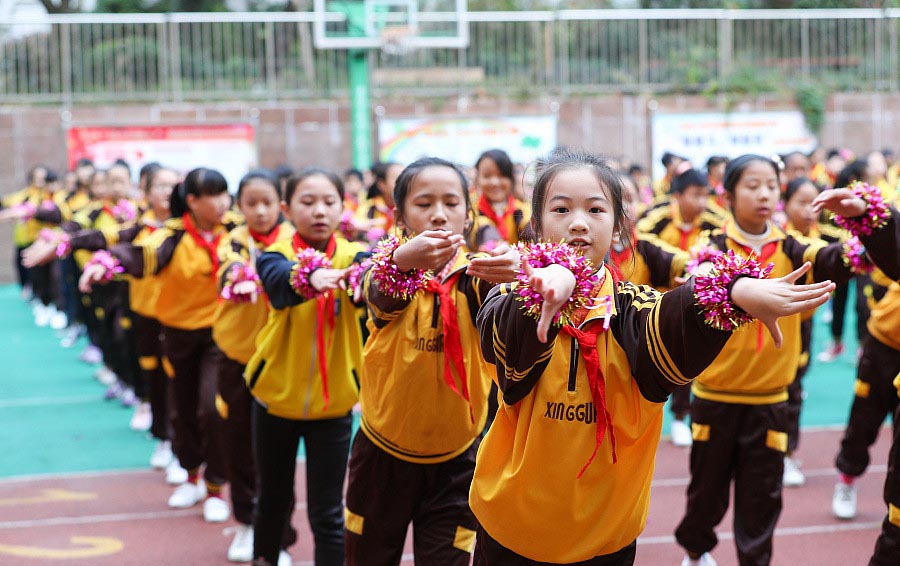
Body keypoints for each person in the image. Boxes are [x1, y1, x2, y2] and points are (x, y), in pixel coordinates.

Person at [470, 148, 835, 565]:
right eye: (561, 209)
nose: (578, 222)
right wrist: (550, 282)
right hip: (510, 529)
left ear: (618, 226)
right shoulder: (508, 296)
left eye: (595, 209)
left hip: (604, 537)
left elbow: (679, 317)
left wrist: (735, 291)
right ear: (536, 225)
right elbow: (508, 352)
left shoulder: (635, 310)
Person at [674, 155, 888, 566]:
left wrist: (869, 222)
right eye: (752, 185)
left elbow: (839, 259)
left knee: (762, 499)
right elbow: (694, 285)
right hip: (715, 396)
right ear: (728, 195)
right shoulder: (710, 249)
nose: (764, 194)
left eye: (771, 185)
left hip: (771, 400)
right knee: (706, 492)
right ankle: (696, 553)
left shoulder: (793, 247)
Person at [344, 157, 520, 565]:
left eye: (451, 203)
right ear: (399, 216)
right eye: (424, 204)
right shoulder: (385, 271)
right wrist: (401, 261)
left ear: (468, 215)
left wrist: (522, 275)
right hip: (381, 455)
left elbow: (511, 318)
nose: (439, 215)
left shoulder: (481, 277)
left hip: (458, 460)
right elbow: (376, 291)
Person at [80, 167, 236, 524]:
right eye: (213, 195)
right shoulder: (172, 235)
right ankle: (191, 474)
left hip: (220, 334)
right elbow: (140, 253)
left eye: (224, 193)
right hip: (178, 333)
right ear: (192, 201)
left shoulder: (234, 231)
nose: (222, 202)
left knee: (212, 408)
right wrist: (107, 263)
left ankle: (215, 487)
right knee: (182, 407)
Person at [246, 168, 368, 566]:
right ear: (287, 209)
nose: (319, 211)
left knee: (328, 512)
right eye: (308, 202)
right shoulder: (275, 254)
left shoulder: (355, 255)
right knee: (272, 500)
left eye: (329, 202)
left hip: (334, 407)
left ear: (342, 206)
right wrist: (312, 276)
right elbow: (278, 283)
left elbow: (370, 278)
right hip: (274, 400)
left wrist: (367, 281)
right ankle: (265, 557)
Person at [211, 170, 295, 563]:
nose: (260, 211)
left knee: (279, 452)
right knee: (239, 441)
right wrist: (238, 277)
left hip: (283, 359)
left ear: (281, 205)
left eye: (267, 203)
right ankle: (246, 522)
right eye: (251, 203)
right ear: (238, 207)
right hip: (238, 357)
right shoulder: (231, 241)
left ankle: (279, 537)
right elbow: (229, 267)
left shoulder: (293, 242)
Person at [638, 168, 724, 447]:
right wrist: (683, 263)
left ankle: (679, 417)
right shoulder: (657, 217)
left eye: (705, 195)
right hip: (652, 304)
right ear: (677, 195)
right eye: (695, 195)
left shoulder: (713, 222)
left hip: (691, 304)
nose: (702, 202)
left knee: (688, 359)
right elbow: (640, 241)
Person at [470, 149, 531, 249]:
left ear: (511, 178)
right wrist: (492, 244)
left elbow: (529, 225)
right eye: (487, 176)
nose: (494, 182)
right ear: (478, 179)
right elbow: (482, 227)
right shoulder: (471, 212)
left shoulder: (523, 209)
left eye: (501, 175)